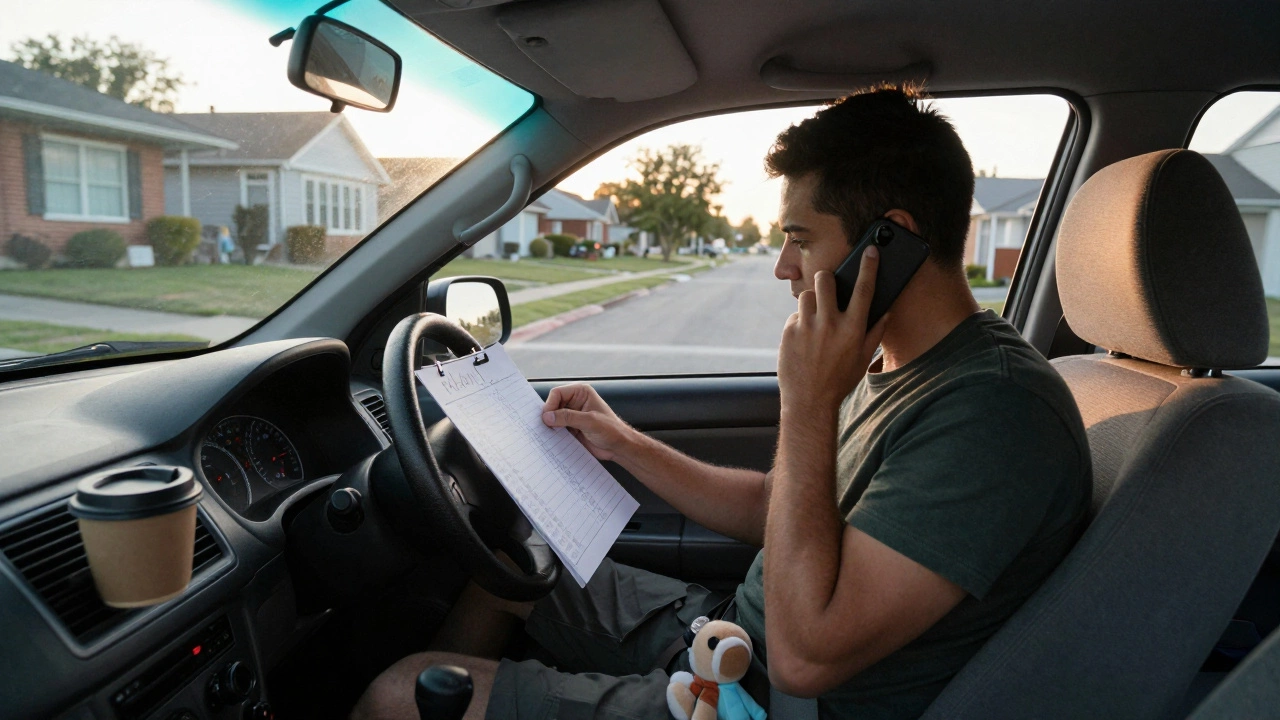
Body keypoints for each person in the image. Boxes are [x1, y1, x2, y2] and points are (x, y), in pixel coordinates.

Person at [353, 85, 1091, 720]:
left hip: (768, 700)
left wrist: (807, 403)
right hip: (728, 638)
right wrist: (623, 443)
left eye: (801, 239)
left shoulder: (995, 410)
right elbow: (782, 505)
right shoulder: (903, 361)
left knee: (398, 695)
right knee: (512, 563)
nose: (783, 267)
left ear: (887, 242)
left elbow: (806, 660)